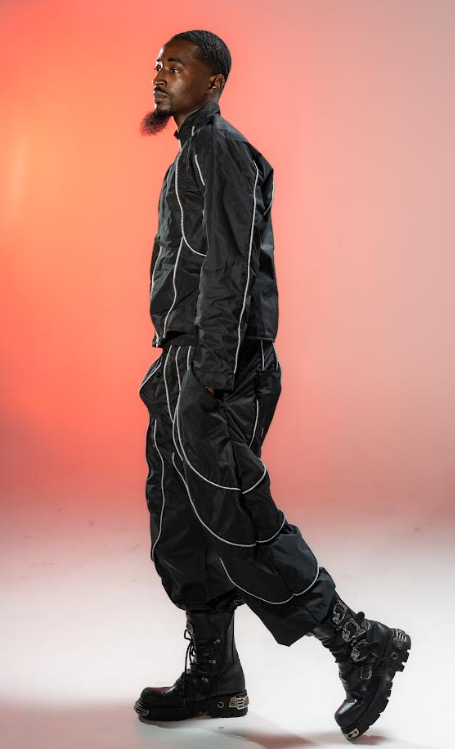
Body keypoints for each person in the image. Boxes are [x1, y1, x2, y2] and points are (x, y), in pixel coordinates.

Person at [135, 29, 411, 740]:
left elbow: (229, 267)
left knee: (236, 516)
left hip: (219, 362)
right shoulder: (191, 154)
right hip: (181, 359)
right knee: (180, 520)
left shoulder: (220, 151)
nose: (161, 76)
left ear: (214, 82)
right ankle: (216, 675)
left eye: (177, 67)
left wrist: (211, 373)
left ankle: (360, 642)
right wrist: (176, 367)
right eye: (158, 65)